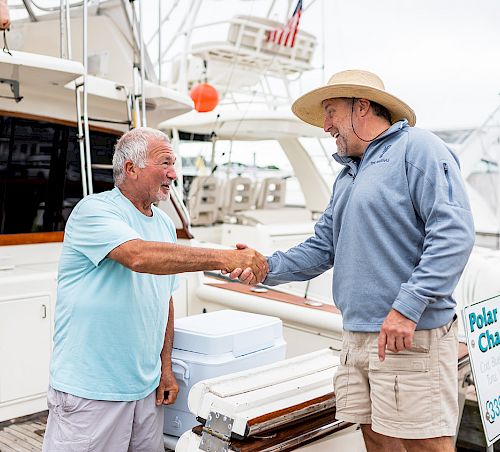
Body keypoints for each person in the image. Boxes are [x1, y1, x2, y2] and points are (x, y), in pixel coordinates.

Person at [232, 70, 475, 452]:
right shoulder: (347, 175)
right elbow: (323, 247)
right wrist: (266, 266)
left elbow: (454, 234)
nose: (326, 125)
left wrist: (407, 308)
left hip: (408, 335)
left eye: (330, 112)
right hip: (356, 336)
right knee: (374, 437)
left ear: (361, 107)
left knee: (427, 444)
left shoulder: (419, 148)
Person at [42, 127, 268, 452]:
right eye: (165, 163)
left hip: (145, 392)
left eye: (173, 163)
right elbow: (138, 256)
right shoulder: (94, 211)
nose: (173, 173)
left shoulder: (163, 224)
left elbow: (164, 299)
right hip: (91, 392)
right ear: (131, 168)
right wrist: (226, 257)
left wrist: (165, 369)